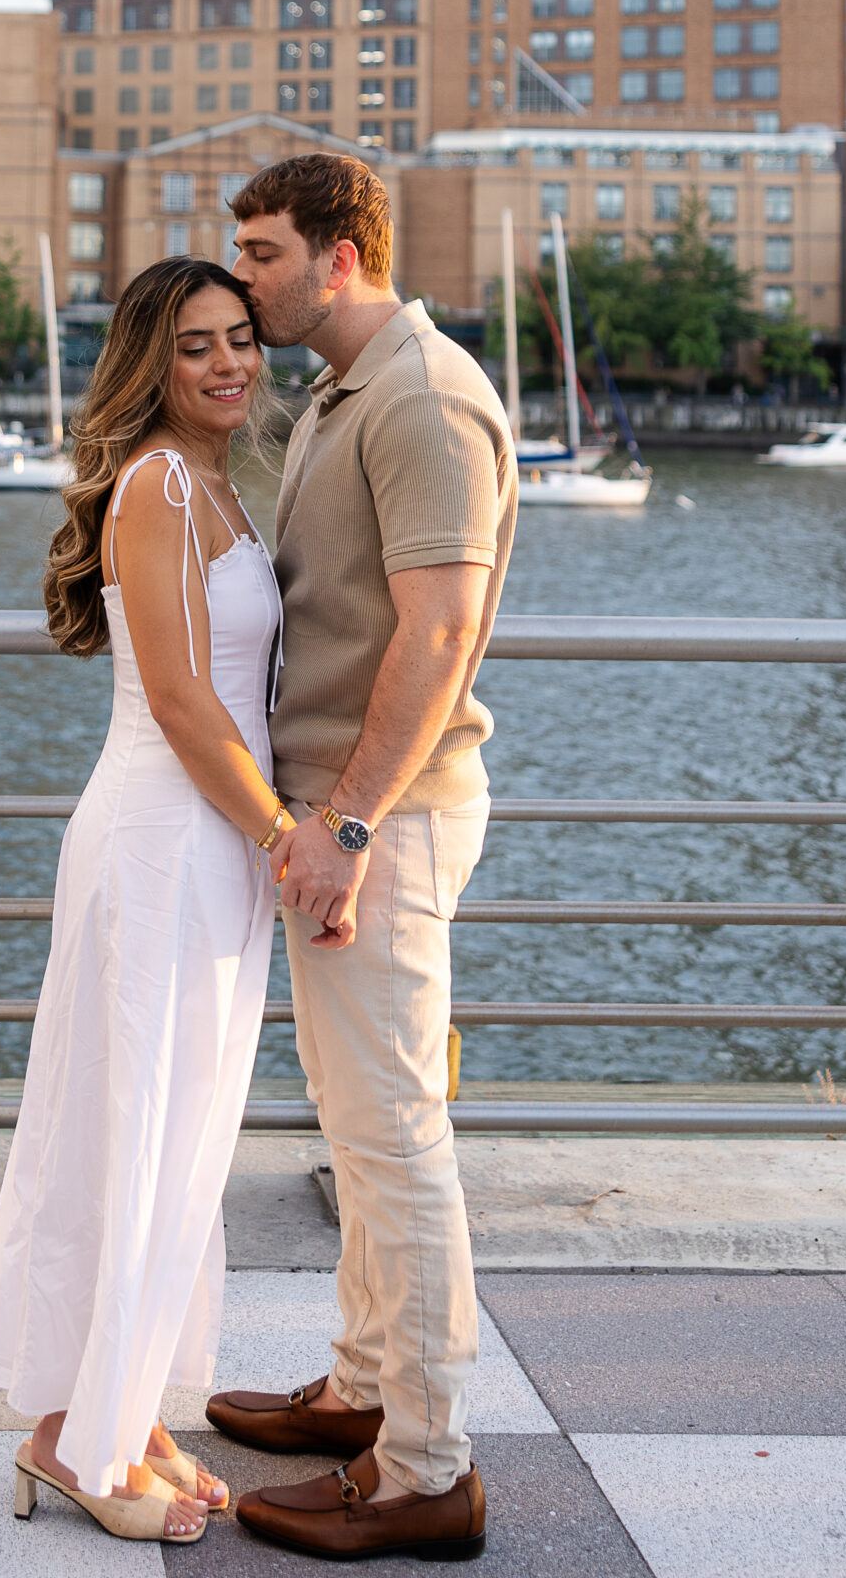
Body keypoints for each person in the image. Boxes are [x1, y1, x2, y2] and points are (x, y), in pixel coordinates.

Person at [212, 150, 516, 1564]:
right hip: (349, 819)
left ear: (343, 256)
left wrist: (343, 824)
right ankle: (363, 1389)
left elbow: (439, 632)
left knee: (396, 1145)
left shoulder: (425, 394)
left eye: (265, 251)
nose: (246, 273)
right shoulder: (347, 390)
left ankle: (426, 1467)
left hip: (378, 822)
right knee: (361, 1129)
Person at [0, 255, 296, 1546]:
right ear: (149, 367)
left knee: (179, 1135)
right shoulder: (160, 485)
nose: (228, 364)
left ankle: (124, 1404)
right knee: (130, 1128)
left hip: (212, 845)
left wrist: (265, 841)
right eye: (195, 348)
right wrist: (285, 837)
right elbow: (177, 698)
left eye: (240, 339)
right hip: (165, 839)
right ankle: (72, 1440)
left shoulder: (219, 479)